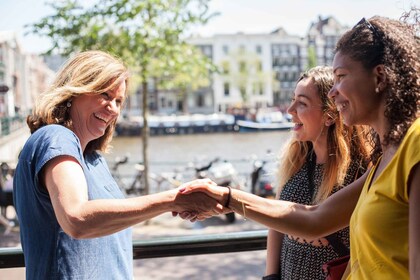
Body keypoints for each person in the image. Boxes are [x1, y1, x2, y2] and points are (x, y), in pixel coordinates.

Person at [180, 14, 419, 279]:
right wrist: (226, 197)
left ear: (380, 76)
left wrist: (227, 198)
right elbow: (314, 219)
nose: (333, 92)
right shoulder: (383, 160)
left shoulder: (415, 145)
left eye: (341, 76)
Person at [13, 50, 221, 279]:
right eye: (104, 94)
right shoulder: (55, 137)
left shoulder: (93, 159)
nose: (113, 108)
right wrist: (173, 200)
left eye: (119, 101)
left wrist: (183, 203)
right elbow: (77, 219)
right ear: (74, 90)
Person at [264, 66, 370, 280]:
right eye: (293, 99)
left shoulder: (360, 171)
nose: (290, 109)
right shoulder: (295, 161)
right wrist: (271, 276)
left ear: (330, 115)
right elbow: (277, 224)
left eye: (301, 103)